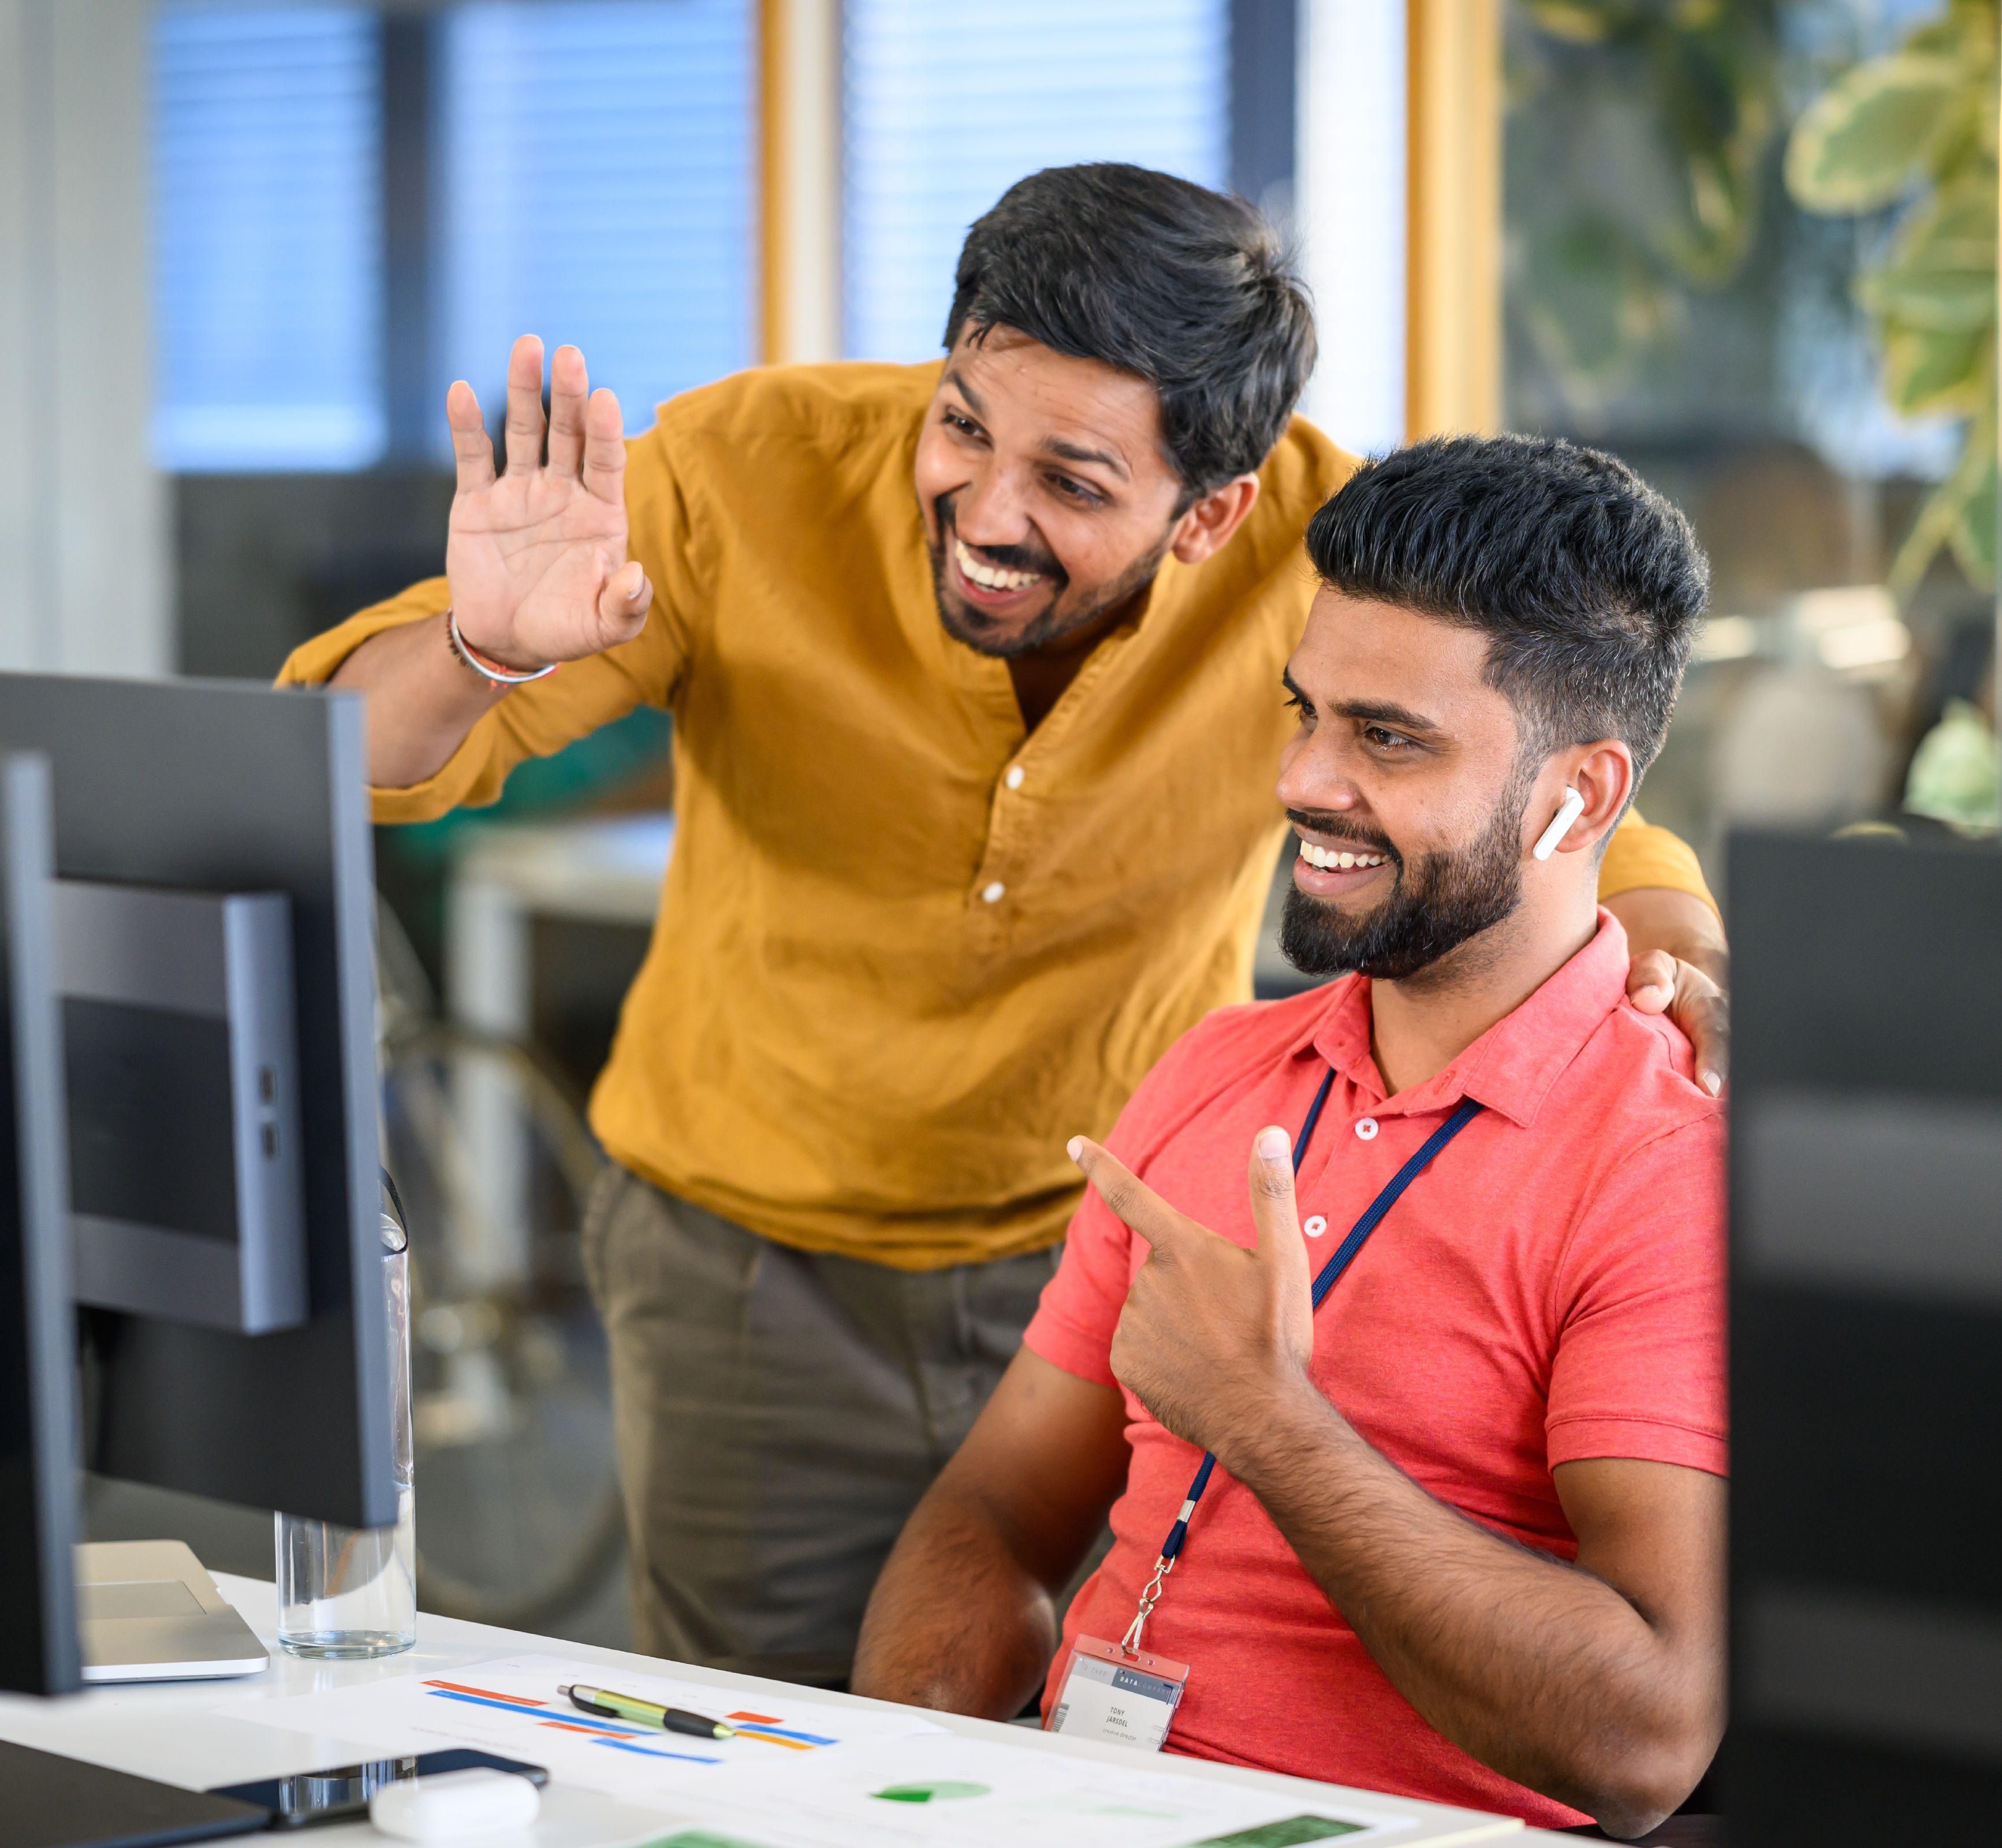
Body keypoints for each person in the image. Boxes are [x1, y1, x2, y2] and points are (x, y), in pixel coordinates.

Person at [276, 164, 1731, 1688]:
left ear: (1210, 512)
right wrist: (476, 642)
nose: (985, 511)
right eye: (963, 424)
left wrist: (1673, 951)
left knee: (1083, 1747)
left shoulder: (1314, 540)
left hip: (1109, 1277)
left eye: (1076, 484)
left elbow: (1542, 798)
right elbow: (337, 767)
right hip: (750, 1270)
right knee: (756, 1759)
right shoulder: (747, 471)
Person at [852, 435, 1726, 1836]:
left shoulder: (1660, 1158)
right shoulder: (1219, 1065)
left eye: (1387, 738)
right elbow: (998, 1512)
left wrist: (1268, 1420)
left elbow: (1646, 1739)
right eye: (1305, 711)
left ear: (1580, 798)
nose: (1303, 778)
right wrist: (905, 1791)